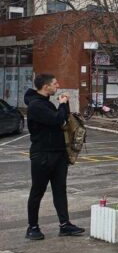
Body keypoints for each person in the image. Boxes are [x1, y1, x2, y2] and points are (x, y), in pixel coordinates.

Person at [25, 74, 83, 240]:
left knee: (60, 190)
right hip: (42, 155)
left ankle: (65, 225)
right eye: (54, 83)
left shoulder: (46, 103)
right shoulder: (36, 106)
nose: (57, 85)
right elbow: (58, 119)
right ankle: (32, 227)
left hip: (58, 154)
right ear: (45, 86)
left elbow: (63, 120)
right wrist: (63, 103)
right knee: (37, 191)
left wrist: (64, 105)